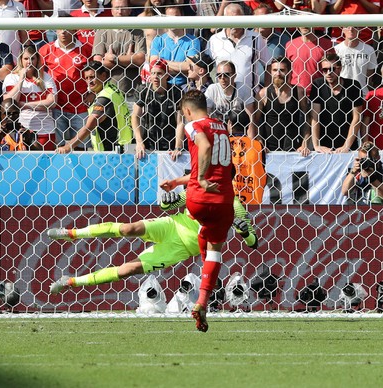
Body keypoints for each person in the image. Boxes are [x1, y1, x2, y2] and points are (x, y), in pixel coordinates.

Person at [47, 193, 258, 300]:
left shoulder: (235, 206)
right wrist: (168, 200)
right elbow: (166, 205)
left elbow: (253, 243)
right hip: (171, 225)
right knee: (129, 229)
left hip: (181, 248)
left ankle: (71, 282)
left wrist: (245, 232)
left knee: (129, 269)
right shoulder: (196, 188)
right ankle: (72, 234)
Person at [159, 89, 235, 332]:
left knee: (201, 228)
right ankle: (203, 301)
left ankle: (199, 299)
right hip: (223, 199)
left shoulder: (193, 125)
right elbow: (218, 165)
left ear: (187, 111)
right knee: (214, 249)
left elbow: (203, 146)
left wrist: (200, 179)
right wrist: (180, 181)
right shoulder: (222, 127)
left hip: (199, 198)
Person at [56, 61, 132, 153]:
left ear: (103, 75)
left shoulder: (104, 98)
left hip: (112, 151)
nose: (89, 81)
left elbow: (90, 125)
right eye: (86, 78)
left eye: (92, 77)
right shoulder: (112, 88)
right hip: (123, 146)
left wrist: (68, 146)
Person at [39, 29, 94, 149]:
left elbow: (96, 73)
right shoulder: (46, 49)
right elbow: (37, 75)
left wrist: (93, 93)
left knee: (82, 147)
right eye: (60, 28)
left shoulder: (86, 49)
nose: (63, 32)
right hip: (56, 107)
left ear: (74, 29)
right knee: (59, 147)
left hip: (81, 106)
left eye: (67, 28)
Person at [3, 45, 58, 151]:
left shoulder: (45, 77)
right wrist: (21, 80)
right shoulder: (11, 78)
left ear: (37, 59)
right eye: (26, 58)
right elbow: (9, 103)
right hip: (21, 131)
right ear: (20, 60)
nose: (29, 62)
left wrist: (25, 105)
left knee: (45, 165)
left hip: (45, 130)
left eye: (32, 58)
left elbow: (52, 102)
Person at [206, 4, 270, 92]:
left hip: (250, 97)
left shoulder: (255, 38)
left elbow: (268, 64)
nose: (234, 23)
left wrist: (266, 90)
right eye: (230, 19)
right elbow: (204, 67)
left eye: (237, 19)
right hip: (223, 98)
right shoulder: (214, 40)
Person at [309, 53, 363, 153]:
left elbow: (357, 117)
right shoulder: (318, 85)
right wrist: (316, 145)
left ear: (340, 68)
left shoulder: (353, 86)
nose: (329, 73)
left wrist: (346, 146)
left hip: (348, 146)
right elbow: (314, 117)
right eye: (325, 70)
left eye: (332, 69)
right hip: (324, 147)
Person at [91, 0, 146, 99]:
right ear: (111, 11)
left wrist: (114, 59)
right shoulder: (102, 31)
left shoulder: (137, 32)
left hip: (134, 92)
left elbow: (140, 59)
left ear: (129, 10)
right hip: (108, 93)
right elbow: (98, 65)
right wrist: (129, 59)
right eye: (116, 8)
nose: (120, 11)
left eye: (123, 8)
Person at [256, 57, 311, 155]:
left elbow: (308, 119)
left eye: (282, 70)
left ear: (289, 71)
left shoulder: (298, 92)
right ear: (270, 72)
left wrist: (304, 143)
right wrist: (259, 143)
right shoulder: (263, 93)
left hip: (293, 148)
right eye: (274, 70)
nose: (278, 74)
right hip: (269, 149)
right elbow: (254, 122)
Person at [132, 59, 184, 159]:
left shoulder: (176, 92)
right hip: (148, 144)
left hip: (170, 145)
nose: (155, 77)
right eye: (153, 73)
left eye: (159, 73)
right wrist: (139, 142)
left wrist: (178, 147)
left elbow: (180, 122)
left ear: (167, 75)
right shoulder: (143, 90)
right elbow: (135, 116)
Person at [148, 5, 201, 87]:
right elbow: (154, 66)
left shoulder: (193, 41)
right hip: (162, 87)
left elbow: (189, 67)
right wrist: (180, 67)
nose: (172, 20)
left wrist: (162, 63)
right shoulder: (158, 40)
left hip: (184, 86)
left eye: (175, 17)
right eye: (168, 17)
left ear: (181, 17)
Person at [205, 61, 257, 139]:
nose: (222, 78)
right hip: (217, 133)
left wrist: (251, 142)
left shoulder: (243, 89)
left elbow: (251, 119)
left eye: (226, 75)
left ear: (234, 75)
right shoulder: (212, 89)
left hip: (238, 135)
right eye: (219, 75)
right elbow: (206, 116)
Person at [334, 26, 378, 95]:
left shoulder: (369, 50)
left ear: (360, 30)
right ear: (342, 29)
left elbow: (370, 75)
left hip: (362, 94)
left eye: (355, 26)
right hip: (341, 94)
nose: (351, 29)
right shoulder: (336, 50)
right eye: (347, 26)